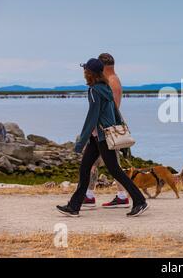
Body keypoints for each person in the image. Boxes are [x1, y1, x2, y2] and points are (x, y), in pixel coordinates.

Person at [56, 58, 148, 217]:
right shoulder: (105, 88)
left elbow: (92, 117)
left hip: (102, 137)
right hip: (99, 137)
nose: (84, 72)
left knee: (115, 171)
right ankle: (74, 206)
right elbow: (114, 112)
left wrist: (80, 142)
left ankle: (139, 201)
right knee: (85, 169)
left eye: (85, 70)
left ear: (90, 73)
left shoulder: (94, 91)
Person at [82, 53, 131, 209]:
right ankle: (89, 194)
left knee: (110, 166)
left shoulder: (111, 82)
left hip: (107, 132)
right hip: (104, 131)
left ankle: (123, 196)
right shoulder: (112, 80)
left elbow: (111, 109)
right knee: (96, 164)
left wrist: (93, 131)